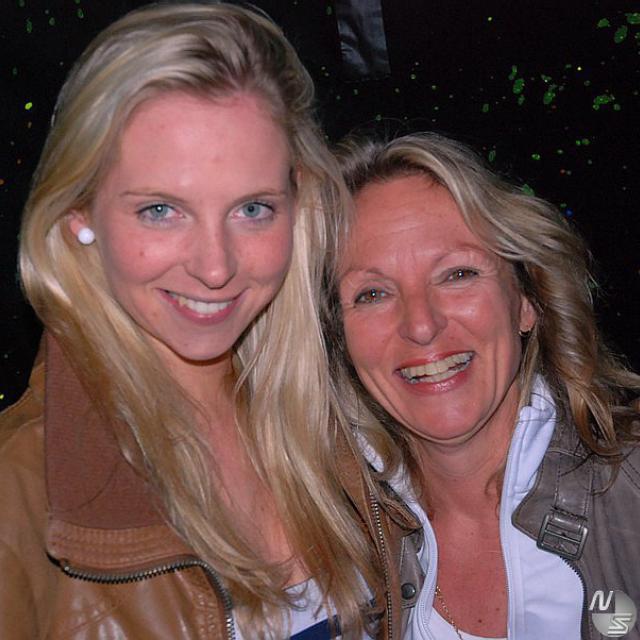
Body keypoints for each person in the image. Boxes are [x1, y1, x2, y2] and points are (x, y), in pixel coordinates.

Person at [0, 5, 422, 638]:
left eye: (252, 209)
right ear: (78, 213)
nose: (216, 267)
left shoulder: (349, 419)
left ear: (298, 206)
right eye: (161, 210)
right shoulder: (18, 501)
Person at [322, 132, 640, 640]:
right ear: (339, 339)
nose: (421, 325)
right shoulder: (319, 538)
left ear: (527, 301)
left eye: (457, 274)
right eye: (373, 293)